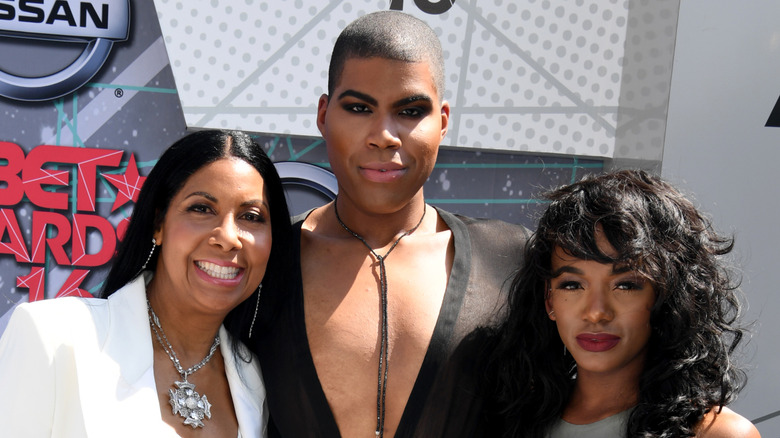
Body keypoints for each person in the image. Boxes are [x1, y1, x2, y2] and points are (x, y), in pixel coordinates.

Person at [252, 10, 528, 438]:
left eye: (411, 110)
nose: (384, 135)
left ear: (442, 121)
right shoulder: (262, 260)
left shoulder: (510, 259)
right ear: (324, 114)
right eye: (359, 107)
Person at [0, 129, 293, 437]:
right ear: (158, 224)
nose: (228, 237)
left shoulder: (260, 382)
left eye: (251, 216)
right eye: (202, 209)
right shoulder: (54, 336)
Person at [481, 169, 759, 437]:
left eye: (625, 285)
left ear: (668, 295)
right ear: (549, 300)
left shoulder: (717, 434)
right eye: (573, 285)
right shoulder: (511, 418)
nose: (596, 312)